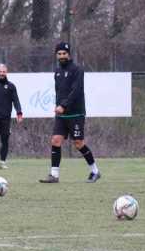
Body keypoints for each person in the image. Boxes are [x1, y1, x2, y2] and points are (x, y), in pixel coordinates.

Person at [39, 42, 101, 183]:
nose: (62, 56)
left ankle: (95, 171)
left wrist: (63, 105)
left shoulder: (77, 70)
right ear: (56, 55)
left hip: (75, 113)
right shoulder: (57, 71)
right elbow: (59, 92)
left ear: (69, 54)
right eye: (59, 54)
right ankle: (54, 175)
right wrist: (58, 106)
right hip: (61, 114)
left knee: (78, 143)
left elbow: (76, 91)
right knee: (55, 140)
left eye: (64, 53)